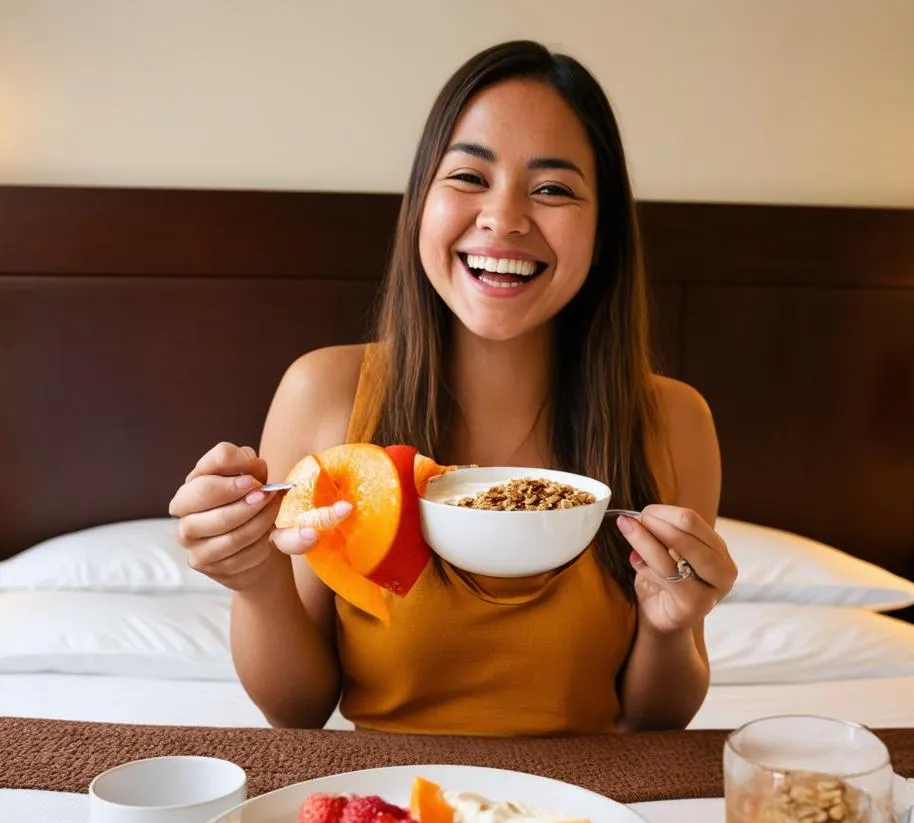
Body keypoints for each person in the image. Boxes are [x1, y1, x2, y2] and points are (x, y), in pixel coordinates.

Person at [169, 40, 737, 736]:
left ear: (605, 230)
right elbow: (298, 710)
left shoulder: (675, 421)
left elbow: (655, 722)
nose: (504, 218)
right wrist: (254, 578)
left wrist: (675, 624)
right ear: (421, 205)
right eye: (469, 176)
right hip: (386, 811)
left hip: (591, 815)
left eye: (553, 189)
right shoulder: (325, 393)